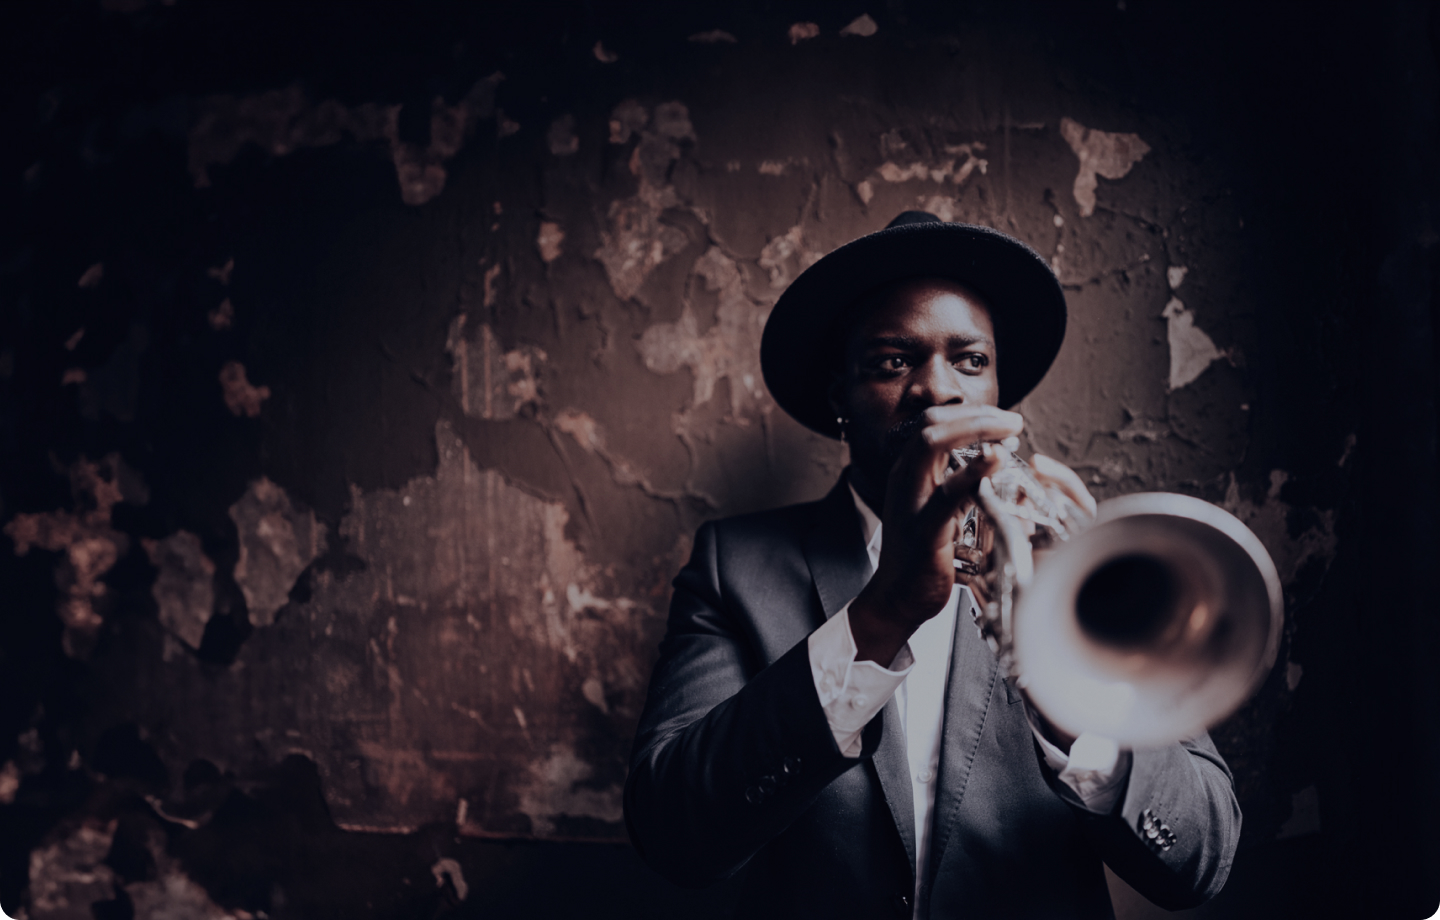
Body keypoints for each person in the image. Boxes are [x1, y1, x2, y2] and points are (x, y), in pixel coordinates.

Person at [623, 211, 1241, 919]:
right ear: (840, 396)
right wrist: (881, 614)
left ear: (999, 393)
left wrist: (1067, 688)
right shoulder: (734, 564)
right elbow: (673, 834)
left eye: (970, 361)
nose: (937, 390)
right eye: (893, 362)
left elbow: (1198, 859)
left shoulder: (1072, 557)